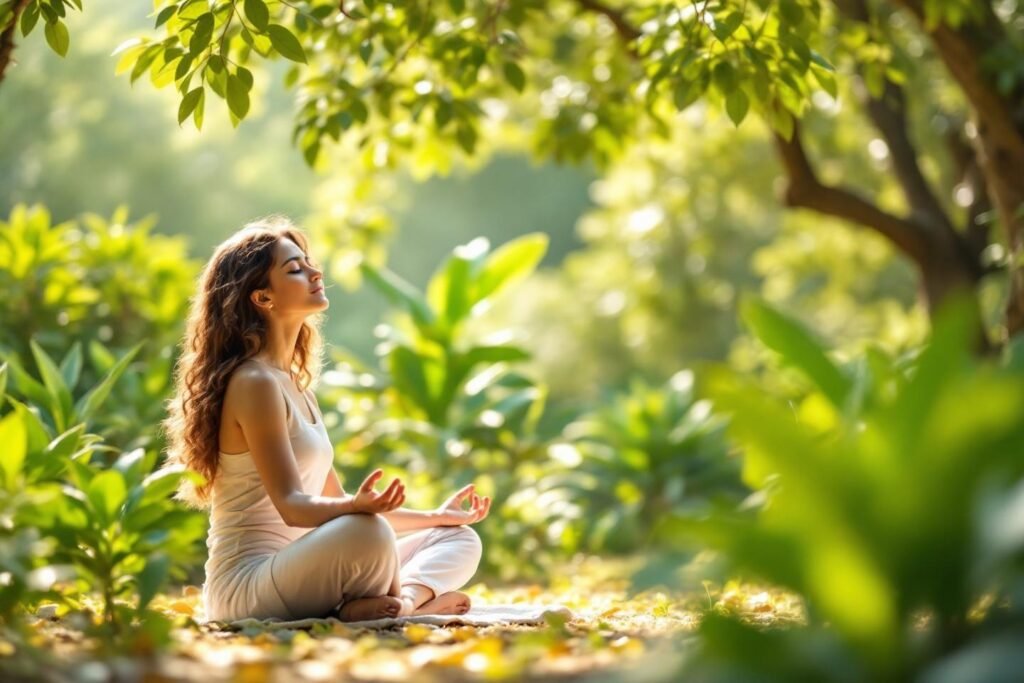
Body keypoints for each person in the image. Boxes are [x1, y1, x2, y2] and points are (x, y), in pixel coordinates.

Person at [160, 216, 491, 623]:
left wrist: (439, 516)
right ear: (263, 298)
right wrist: (357, 507)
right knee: (366, 531)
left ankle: (402, 602)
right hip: (249, 587)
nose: (316, 273)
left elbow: (331, 503)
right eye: (295, 270)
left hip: (306, 569)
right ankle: (408, 604)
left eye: (308, 263)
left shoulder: (297, 387)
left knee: (458, 538)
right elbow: (294, 508)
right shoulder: (254, 382)